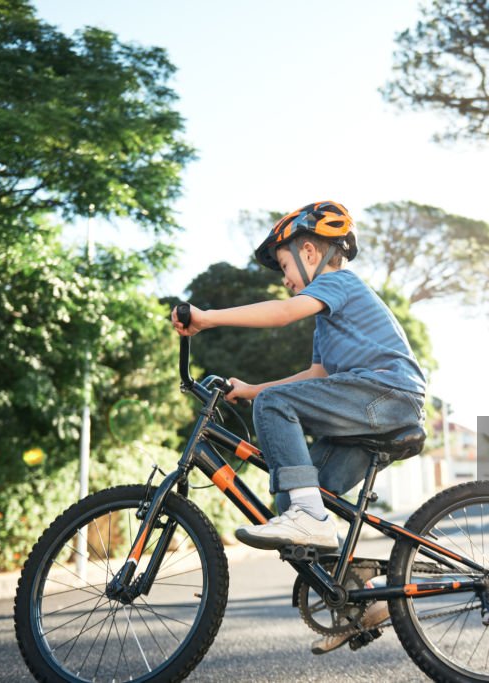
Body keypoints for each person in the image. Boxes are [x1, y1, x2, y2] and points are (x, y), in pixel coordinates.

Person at [171, 200, 426, 653]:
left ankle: (311, 518)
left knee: (298, 488)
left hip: (387, 396)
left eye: (286, 265)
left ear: (311, 253)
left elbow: (282, 312)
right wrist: (249, 390)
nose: (285, 279)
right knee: (300, 495)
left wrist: (208, 318)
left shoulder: (340, 283)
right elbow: (318, 378)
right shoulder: (329, 322)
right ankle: (357, 599)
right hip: (369, 404)